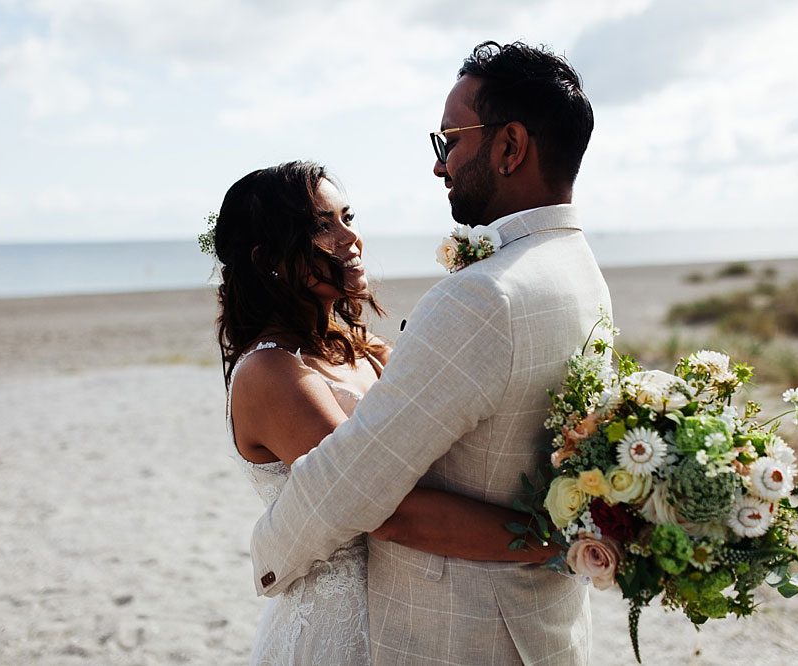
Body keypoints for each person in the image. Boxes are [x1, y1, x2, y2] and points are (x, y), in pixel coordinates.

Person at [249, 41, 613, 665]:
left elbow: (363, 486)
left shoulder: (483, 295)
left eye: (452, 140)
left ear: (509, 147)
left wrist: (267, 557)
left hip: (461, 635)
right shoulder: (581, 271)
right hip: (541, 626)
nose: (441, 166)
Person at [216, 160, 563, 664]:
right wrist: (553, 542)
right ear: (266, 257)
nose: (349, 237)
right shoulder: (270, 375)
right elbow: (384, 506)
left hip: (409, 609)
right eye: (321, 225)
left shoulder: (362, 348)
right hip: (339, 627)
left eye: (347, 217)